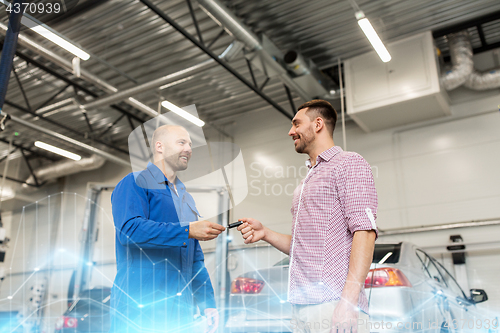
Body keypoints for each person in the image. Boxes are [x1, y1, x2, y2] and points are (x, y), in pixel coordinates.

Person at [237, 100, 378, 333]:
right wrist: (266, 233)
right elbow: (304, 248)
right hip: (301, 306)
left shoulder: (348, 163)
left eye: (296, 124)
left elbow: (365, 233)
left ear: (318, 124)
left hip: (333, 304)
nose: (291, 131)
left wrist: (348, 301)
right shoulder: (307, 180)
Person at [110, 125, 226, 333]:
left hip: (180, 311)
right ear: (159, 146)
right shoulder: (135, 183)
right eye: (182, 142)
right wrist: (187, 230)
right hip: (140, 308)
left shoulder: (185, 197)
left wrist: (207, 303)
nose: (189, 148)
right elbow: (129, 230)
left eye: (190, 144)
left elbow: (195, 258)